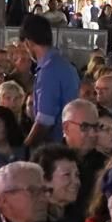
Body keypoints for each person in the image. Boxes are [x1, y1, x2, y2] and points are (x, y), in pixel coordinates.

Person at [21, 14, 82, 148]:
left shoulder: (48, 71)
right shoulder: (66, 66)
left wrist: (24, 150)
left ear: (28, 43)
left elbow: (44, 121)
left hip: (56, 147)